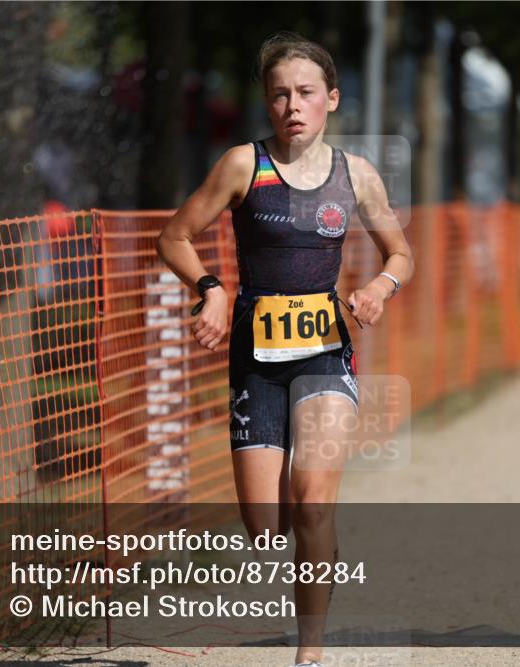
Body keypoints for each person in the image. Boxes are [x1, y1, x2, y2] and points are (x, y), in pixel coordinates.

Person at [156, 32, 414, 667]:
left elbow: (401, 254)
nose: (292, 106)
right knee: (266, 529)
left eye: (305, 92)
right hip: (256, 361)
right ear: (267, 103)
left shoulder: (356, 175)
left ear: (332, 98)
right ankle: (309, 566)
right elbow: (175, 237)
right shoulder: (243, 165)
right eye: (279, 95)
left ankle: (310, 652)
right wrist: (211, 290)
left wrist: (379, 288)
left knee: (313, 502)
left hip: (326, 352)